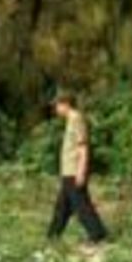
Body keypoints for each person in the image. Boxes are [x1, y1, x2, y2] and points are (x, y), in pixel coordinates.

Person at [46, 90, 109, 244]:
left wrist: (81, 171)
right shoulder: (70, 120)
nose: (56, 109)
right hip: (68, 170)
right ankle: (53, 235)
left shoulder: (77, 119)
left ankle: (97, 234)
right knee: (63, 205)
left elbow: (83, 147)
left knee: (81, 205)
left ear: (66, 104)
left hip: (74, 170)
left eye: (58, 105)